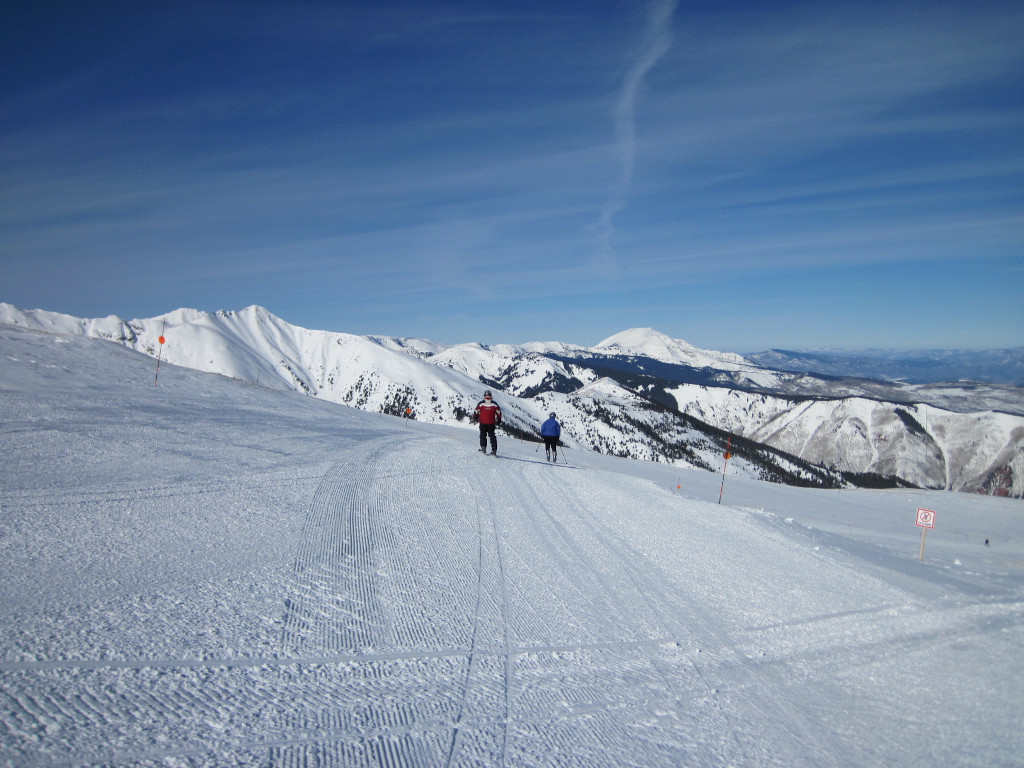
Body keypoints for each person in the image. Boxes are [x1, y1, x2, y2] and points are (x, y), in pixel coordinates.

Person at [473, 390, 502, 456]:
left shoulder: (481, 403)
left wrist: (475, 417)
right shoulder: (494, 404)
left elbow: (476, 411)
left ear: (484, 396)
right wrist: (499, 419)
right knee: (492, 436)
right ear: (491, 396)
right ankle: (494, 450)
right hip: (491, 423)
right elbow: (498, 412)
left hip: (483, 422)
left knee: (483, 434)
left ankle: (483, 448)